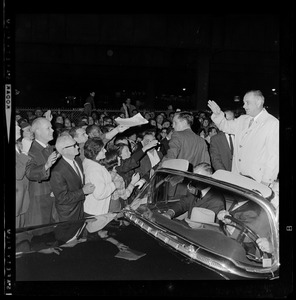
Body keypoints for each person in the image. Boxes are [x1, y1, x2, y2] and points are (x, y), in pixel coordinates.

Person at [208, 90, 279, 186]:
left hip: (258, 181)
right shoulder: (242, 119)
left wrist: (266, 182)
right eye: (244, 103)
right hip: (238, 177)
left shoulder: (272, 123)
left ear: (258, 102)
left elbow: (273, 157)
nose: (244, 106)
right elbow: (225, 126)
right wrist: (218, 114)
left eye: (247, 103)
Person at [49, 135, 95, 222]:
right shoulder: (57, 171)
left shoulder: (77, 160)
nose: (77, 147)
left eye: (76, 144)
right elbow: (62, 198)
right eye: (74, 145)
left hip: (80, 207)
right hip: (68, 213)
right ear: (64, 150)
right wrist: (83, 191)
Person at [25, 117, 60, 226]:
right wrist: (46, 165)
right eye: (48, 128)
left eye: (51, 127)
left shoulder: (49, 147)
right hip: (40, 199)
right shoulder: (30, 150)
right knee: (41, 234)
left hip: (53, 196)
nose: (53, 130)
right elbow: (29, 172)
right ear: (38, 131)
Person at [82, 137, 119, 217]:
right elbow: (100, 194)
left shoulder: (89, 161)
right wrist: (114, 185)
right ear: (95, 152)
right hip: (95, 211)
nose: (105, 151)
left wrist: (110, 176)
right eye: (102, 150)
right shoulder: (94, 169)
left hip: (92, 208)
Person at [103, 148, 140, 212]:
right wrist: (133, 183)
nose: (120, 158)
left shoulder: (104, 172)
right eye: (118, 157)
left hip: (104, 206)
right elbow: (124, 196)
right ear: (114, 160)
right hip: (114, 207)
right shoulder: (117, 178)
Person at [16, 123, 33, 228]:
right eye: (14, 126)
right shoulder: (23, 150)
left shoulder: (19, 148)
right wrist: (25, 152)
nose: (19, 128)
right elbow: (17, 174)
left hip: (22, 200)